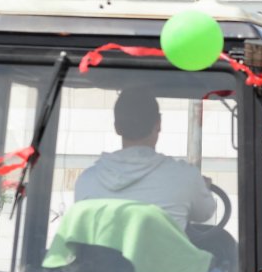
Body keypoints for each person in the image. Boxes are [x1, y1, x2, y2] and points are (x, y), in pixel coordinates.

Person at [73, 89, 214, 230]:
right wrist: (204, 189)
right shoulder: (186, 177)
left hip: (103, 252)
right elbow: (205, 213)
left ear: (116, 127)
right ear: (158, 124)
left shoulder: (86, 181)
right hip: (161, 253)